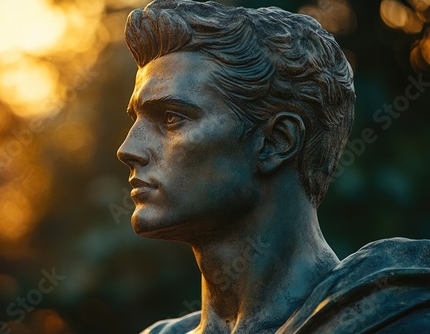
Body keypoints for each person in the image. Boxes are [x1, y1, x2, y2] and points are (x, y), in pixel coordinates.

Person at [116, 1, 430, 333]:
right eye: (136, 121)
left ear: (277, 141)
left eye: (171, 118)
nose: (127, 149)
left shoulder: (399, 316)